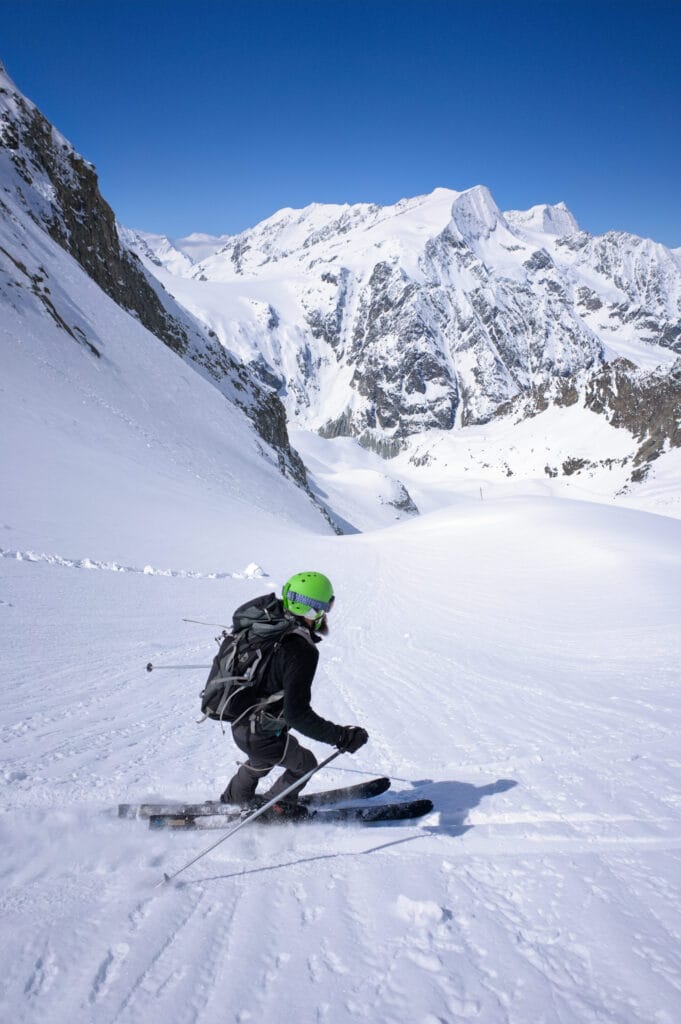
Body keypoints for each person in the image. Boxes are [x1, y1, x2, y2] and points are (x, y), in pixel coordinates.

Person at [220, 571, 368, 817]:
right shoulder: (300, 650)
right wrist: (342, 736)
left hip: (240, 721)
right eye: (324, 607)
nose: (324, 615)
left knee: (261, 760)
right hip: (262, 734)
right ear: (312, 610)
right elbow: (297, 715)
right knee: (306, 764)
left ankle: (235, 799)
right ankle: (276, 807)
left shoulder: (269, 625)